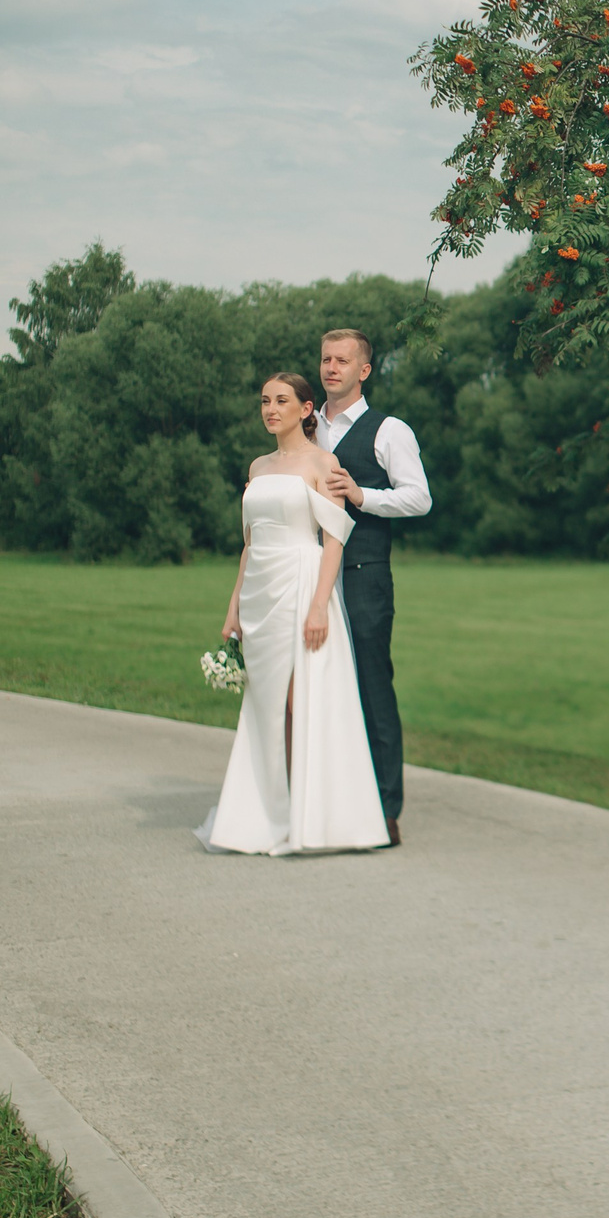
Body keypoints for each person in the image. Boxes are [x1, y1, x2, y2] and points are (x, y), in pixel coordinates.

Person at [196, 373, 389, 856]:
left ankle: (315, 816)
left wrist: (320, 604)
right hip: (260, 591)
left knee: (299, 700)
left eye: (281, 401)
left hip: (302, 583)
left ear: (306, 409)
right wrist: (233, 609)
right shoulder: (258, 467)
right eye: (264, 401)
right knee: (267, 706)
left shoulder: (324, 462)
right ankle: (272, 811)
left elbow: (334, 540)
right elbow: (249, 543)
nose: (270, 409)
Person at [311, 328, 431, 847]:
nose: (331, 367)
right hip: (310, 577)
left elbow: (419, 499)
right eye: (325, 359)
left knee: (372, 688)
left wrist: (363, 494)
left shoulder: (390, 431)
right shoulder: (308, 427)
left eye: (343, 360)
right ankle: (324, 802)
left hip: (363, 577)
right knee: (321, 689)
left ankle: (385, 809)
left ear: (364, 370)